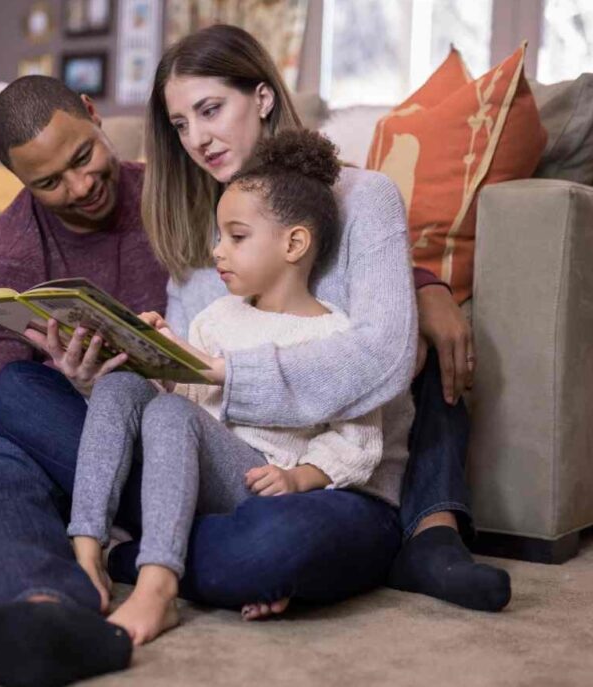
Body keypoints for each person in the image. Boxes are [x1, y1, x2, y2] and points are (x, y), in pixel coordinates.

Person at [0, 28, 506, 685]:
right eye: (181, 124)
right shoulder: (195, 225)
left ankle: (144, 558)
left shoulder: (360, 197)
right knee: (6, 414)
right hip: (208, 464)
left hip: (321, 482)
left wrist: (427, 285)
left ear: (263, 96)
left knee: (264, 547)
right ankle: (46, 611)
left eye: (211, 111)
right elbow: (179, 404)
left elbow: (381, 352)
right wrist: (101, 382)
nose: (198, 139)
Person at [68, 129, 413, 645]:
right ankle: (87, 548)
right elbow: (189, 406)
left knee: (171, 419)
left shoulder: (331, 334)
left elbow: (358, 444)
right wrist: (161, 361)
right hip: (206, 466)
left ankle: (157, 584)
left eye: (236, 237)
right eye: (218, 236)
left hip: (263, 483)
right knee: (120, 389)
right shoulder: (217, 317)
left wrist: (300, 479)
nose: (217, 251)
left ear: (294, 243)